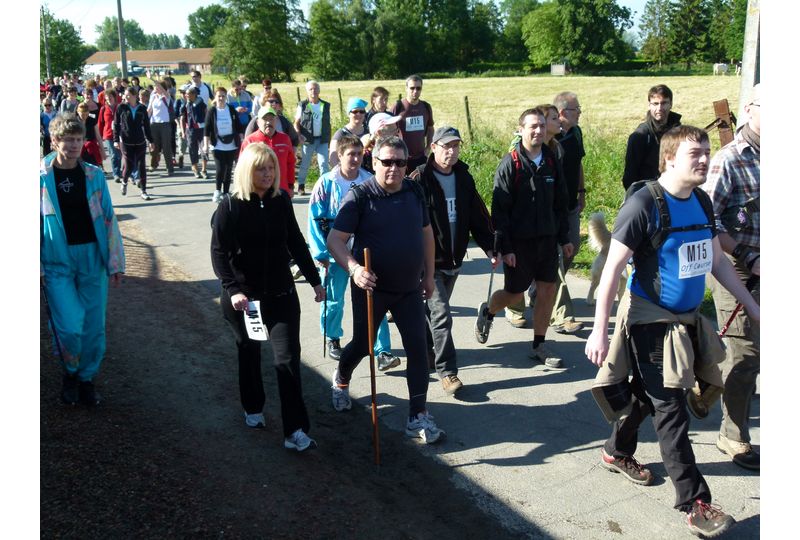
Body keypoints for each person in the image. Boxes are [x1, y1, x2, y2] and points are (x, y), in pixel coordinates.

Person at [585, 125, 759, 538]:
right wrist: (599, 331)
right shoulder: (643, 204)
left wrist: (754, 308)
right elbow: (611, 271)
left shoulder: (701, 200)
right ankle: (695, 503)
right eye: (695, 153)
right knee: (671, 408)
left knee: (650, 396)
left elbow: (716, 262)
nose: (705, 160)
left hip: (686, 321)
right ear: (669, 159)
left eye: (707, 151)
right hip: (650, 321)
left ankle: (615, 450)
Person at [326, 136, 445, 444]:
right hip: (372, 288)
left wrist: (429, 275)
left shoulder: (414, 191)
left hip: (409, 289)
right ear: (375, 162)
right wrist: (355, 269)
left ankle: (417, 415)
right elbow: (335, 240)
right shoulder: (360, 196)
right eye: (387, 162)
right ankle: (341, 379)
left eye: (400, 162)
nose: (394, 168)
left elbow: (427, 234)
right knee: (364, 345)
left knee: (418, 349)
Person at [210, 142, 324, 452]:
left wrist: (314, 280)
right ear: (248, 171)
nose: (268, 173)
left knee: (287, 360)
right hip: (245, 300)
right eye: (261, 168)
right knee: (249, 351)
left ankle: (295, 430)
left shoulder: (281, 200)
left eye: (272, 167)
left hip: (281, 294)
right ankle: (253, 406)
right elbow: (218, 253)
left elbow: (296, 241)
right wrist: (233, 289)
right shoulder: (230, 206)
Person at [474, 107, 572, 369]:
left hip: (547, 240)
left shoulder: (551, 160)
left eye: (541, 125)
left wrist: (565, 238)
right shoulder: (510, 164)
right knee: (514, 293)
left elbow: (561, 202)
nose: (538, 130)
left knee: (547, 290)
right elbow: (500, 211)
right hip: (519, 243)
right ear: (521, 130)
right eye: (533, 126)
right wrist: (504, 247)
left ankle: (539, 344)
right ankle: (489, 310)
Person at [40, 113, 125, 406]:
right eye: (68, 139)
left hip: (92, 257)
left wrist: (115, 261)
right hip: (56, 260)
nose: (75, 145)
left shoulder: (94, 175)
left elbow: (109, 219)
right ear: (55, 141)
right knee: (68, 326)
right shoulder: (39, 178)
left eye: (78, 139)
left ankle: (86, 378)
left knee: (92, 326)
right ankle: (70, 371)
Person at [703, 84, 761, 470]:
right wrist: (747, 256)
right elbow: (708, 219)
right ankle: (733, 433)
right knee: (745, 352)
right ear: (749, 109)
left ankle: (711, 387)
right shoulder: (729, 160)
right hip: (735, 265)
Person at [414, 126, 496, 394]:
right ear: (433, 147)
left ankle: (426, 349)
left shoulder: (463, 177)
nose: (451, 151)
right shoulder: (419, 178)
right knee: (442, 315)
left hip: (455, 259)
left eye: (456, 146)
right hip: (430, 262)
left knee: (432, 312)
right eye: (446, 146)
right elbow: (408, 220)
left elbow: (478, 215)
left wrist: (490, 247)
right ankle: (448, 372)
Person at [307, 134, 401, 369]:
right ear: (340, 156)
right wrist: (321, 253)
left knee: (374, 300)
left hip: (364, 251)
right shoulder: (326, 183)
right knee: (334, 299)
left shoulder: (370, 180)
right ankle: (333, 337)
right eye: (351, 154)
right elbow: (314, 219)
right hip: (335, 253)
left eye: (360, 154)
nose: (356, 159)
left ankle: (382, 350)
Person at [548, 91, 587, 334]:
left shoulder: (576, 133)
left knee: (573, 246)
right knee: (557, 258)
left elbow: (579, 163)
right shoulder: (549, 137)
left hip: (571, 204)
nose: (580, 113)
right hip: (552, 209)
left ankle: (540, 290)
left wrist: (582, 192)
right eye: (576, 109)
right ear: (562, 113)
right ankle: (562, 316)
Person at [621, 84, 681, 190]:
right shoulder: (640, 136)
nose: (659, 108)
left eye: (664, 103)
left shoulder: (678, 131)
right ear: (649, 105)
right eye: (655, 104)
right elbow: (629, 177)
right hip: (648, 193)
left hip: (675, 190)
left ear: (671, 104)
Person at [240, 105, 295, 196]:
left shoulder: (285, 139)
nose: (268, 122)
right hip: (257, 192)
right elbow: (243, 167)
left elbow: (290, 163)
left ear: (276, 121)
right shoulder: (250, 141)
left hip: (281, 191)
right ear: (258, 122)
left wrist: (291, 186)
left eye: (271, 119)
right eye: (265, 119)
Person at [114, 87, 154, 200]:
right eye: (125, 95)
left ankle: (143, 191)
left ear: (135, 96)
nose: (126, 97)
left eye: (128, 95)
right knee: (129, 166)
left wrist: (151, 141)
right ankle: (124, 181)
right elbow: (116, 125)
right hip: (126, 142)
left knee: (141, 166)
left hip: (140, 141)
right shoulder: (121, 107)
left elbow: (146, 126)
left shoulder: (142, 108)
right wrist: (116, 140)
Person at [204, 87, 243, 203]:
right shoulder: (212, 111)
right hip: (217, 145)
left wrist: (242, 140)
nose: (221, 98)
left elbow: (238, 126)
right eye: (219, 96)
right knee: (220, 168)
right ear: (215, 97)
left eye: (223, 96)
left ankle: (226, 192)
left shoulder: (231, 109)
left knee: (228, 169)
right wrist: (205, 145)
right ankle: (217, 191)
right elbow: (207, 129)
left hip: (231, 144)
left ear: (226, 97)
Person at [389, 74, 434, 173]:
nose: (415, 91)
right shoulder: (398, 106)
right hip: (401, 157)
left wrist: (428, 148)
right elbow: (388, 130)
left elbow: (430, 128)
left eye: (418, 88)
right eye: (412, 88)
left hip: (421, 157)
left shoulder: (426, 107)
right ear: (406, 88)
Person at [294, 80, 331, 196]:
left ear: (319, 90)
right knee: (305, 164)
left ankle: (324, 187)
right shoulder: (302, 105)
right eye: (311, 89)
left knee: (324, 164)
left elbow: (328, 123)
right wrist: (298, 134)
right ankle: (301, 185)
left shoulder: (326, 105)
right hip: (308, 139)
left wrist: (329, 140)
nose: (313, 91)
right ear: (307, 91)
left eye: (315, 88)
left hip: (322, 139)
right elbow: (296, 122)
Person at [328, 97, 368, 167]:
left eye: (361, 112)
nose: (358, 114)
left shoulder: (368, 132)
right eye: (355, 112)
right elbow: (332, 159)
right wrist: (343, 172)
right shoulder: (340, 134)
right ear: (349, 114)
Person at [147, 81, 176, 176]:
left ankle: (170, 168)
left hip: (165, 124)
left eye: (157, 86)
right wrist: (145, 121)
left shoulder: (166, 96)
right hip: (154, 124)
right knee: (154, 146)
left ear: (162, 88)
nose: (155, 88)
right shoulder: (153, 96)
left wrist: (152, 78)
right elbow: (149, 110)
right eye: (155, 86)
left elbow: (164, 91)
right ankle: (153, 164)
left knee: (166, 146)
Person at [183, 87, 208, 179]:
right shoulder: (185, 104)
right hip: (190, 130)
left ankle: (204, 170)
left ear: (194, 94)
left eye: (188, 94)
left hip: (202, 129)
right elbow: (182, 118)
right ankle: (195, 169)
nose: (186, 95)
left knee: (204, 149)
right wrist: (183, 131)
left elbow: (207, 114)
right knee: (192, 150)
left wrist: (208, 128)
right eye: (186, 94)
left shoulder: (201, 103)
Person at [98, 90, 122, 182]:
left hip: (120, 134)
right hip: (108, 135)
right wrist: (99, 137)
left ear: (114, 97)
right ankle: (116, 174)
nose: (108, 99)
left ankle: (119, 171)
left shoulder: (120, 107)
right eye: (107, 97)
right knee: (114, 155)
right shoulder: (103, 109)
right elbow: (100, 123)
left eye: (110, 97)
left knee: (119, 154)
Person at [76, 102, 106, 168]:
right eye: (82, 114)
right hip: (78, 148)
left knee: (94, 167)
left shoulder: (92, 120)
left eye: (86, 114)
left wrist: (103, 151)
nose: (84, 116)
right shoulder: (74, 122)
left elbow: (98, 137)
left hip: (91, 149)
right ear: (78, 112)